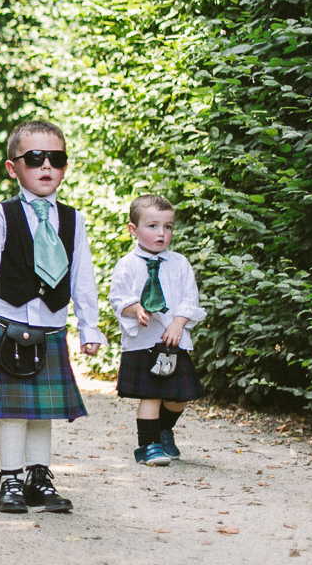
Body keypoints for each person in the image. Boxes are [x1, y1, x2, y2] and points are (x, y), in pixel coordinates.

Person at [0, 120, 105, 514]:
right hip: (8, 323)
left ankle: (39, 477)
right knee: (13, 409)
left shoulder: (73, 219)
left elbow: (83, 277)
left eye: (56, 159)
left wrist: (89, 327)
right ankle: (10, 477)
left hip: (53, 325)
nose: (46, 167)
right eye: (35, 158)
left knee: (44, 410)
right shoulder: (0, 215)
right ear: (13, 168)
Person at [108, 195, 206, 465]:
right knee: (151, 395)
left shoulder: (179, 263)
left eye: (168, 227)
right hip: (143, 342)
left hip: (172, 341)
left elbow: (190, 298)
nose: (161, 233)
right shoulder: (127, 264)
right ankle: (148, 447)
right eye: (152, 226)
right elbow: (118, 298)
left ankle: (164, 431)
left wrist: (179, 321)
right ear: (133, 230)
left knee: (178, 398)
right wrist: (135, 308)